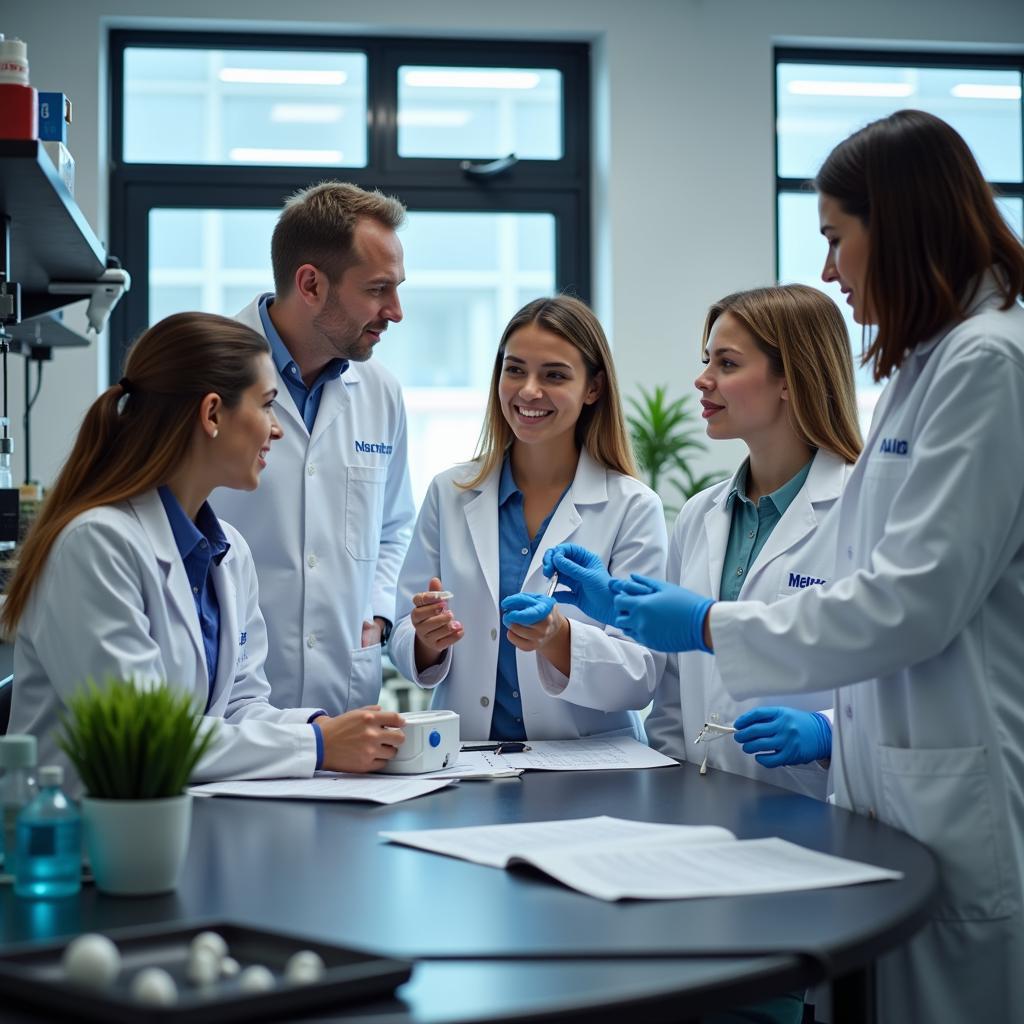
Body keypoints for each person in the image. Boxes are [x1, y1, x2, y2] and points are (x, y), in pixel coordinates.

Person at [546, 110, 1024, 1021]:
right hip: (851, 805)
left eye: (838, 238)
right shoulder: (931, 367)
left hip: (949, 791)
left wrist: (704, 625)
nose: (830, 268)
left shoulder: (989, 363)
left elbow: (908, 604)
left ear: (901, 223)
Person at [3, 313, 406, 795]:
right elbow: (142, 738)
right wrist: (316, 743)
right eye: (268, 406)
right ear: (212, 414)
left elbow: (241, 707)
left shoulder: (228, 552)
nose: (277, 431)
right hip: (75, 848)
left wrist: (329, 726)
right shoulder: (94, 545)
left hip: (173, 830)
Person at [389, 296, 667, 740]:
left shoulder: (633, 506)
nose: (529, 390)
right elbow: (404, 633)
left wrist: (559, 637)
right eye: (515, 370)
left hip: (589, 770)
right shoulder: (450, 492)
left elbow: (644, 672)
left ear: (593, 388)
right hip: (468, 759)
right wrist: (425, 640)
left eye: (554, 375)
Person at [644, 284, 861, 799]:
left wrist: (829, 731)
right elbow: (674, 694)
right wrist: (667, 795)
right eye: (707, 361)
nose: (702, 380)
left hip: (822, 807)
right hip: (702, 808)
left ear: (791, 378)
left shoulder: (864, 508)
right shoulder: (700, 515)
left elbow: (907, 685)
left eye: (727, 364)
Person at [213, 182, 416, 714]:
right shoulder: (207, 375)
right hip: (232, 693)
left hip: (345, 695)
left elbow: (394, 526)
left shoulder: (381, 392)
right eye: (377, 289)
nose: (395, 311)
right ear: (310, 285)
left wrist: (376, 612)